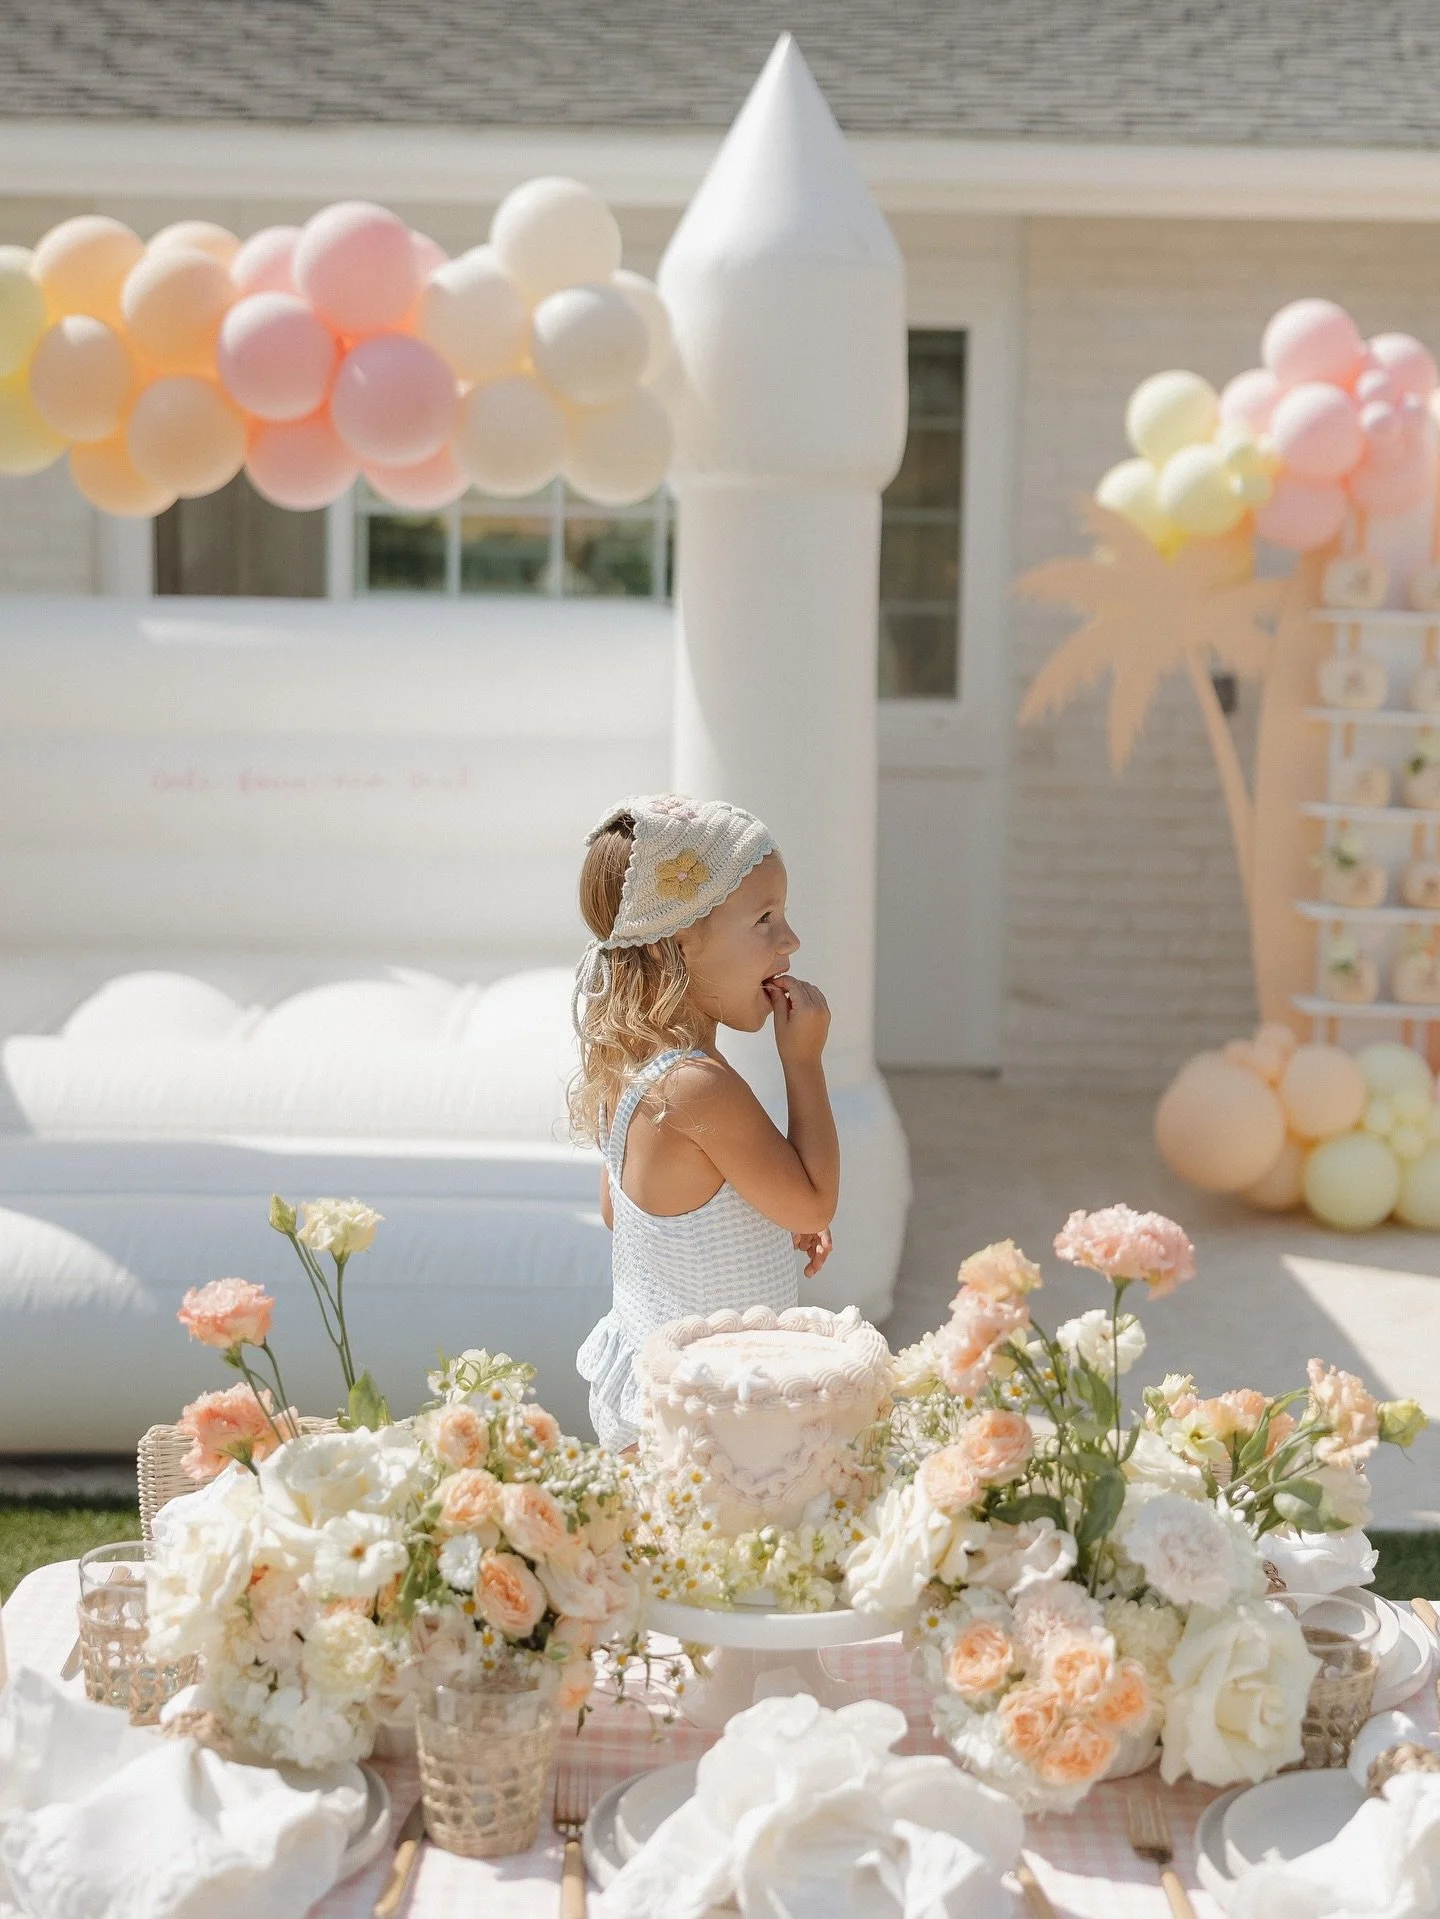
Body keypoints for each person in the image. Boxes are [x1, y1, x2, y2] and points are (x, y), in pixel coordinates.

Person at [570, 795, 840, 1452]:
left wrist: (758, 1213)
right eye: (765, 919)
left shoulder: (632, 1068)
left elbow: (624, 1212)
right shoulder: (698, 1087)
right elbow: (814, 1196)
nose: (791, 940)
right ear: (681, 941)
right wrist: (803, 1062)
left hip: (654, 1387)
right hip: (713, 1413)